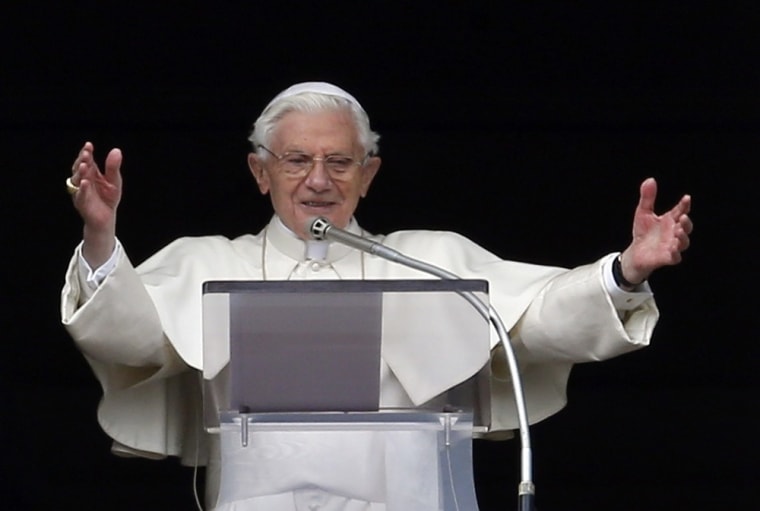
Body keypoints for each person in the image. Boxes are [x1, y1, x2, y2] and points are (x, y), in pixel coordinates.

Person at [61, 82, 692, 510]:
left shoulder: (431, 260)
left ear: (369, 174)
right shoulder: (210, 263)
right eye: (296, 160)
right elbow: (134, 333)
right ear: (260, 172)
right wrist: (100, 237)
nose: (318, 180)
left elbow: (534, 319)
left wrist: (625, 271)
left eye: (340, 162)